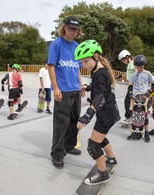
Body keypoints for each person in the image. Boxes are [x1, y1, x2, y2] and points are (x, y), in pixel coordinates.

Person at [75, 39, 120, 185]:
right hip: (110, 113)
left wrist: (86, 117)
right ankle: (111, 158)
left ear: (95, 56)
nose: (84, 65)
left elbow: (100, 98)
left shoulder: (99, 73)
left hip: (105, 115)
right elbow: (101, 87)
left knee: (93, 145)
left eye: (85, 61)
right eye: (82, 62)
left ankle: (102, 174)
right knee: (99, 139)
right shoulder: (99, 70)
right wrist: (88, 88)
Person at [48, 16, 85, 169]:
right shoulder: (56, 44)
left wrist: (81, 85)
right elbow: (51, 67)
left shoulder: (77, 46)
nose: (72, 32)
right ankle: (57, 153)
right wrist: (55, 88)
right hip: (62, 90)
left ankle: (69, 146)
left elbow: (77, 68)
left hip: (75, 89)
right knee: (61, 123)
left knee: (74, 121)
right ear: (64, 28)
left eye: (75, 29)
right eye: (70, 29)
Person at [127, 54, 154, 142]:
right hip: (135, 98)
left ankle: (146, 133)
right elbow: (130, 86)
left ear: (144, 65)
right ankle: (133, 132)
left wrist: (148, 93)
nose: (140, 68)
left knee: (144, 116)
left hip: (144, 98)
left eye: (141, 66)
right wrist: (130, 94)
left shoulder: (148, 74)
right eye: (138, 67)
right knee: (134, 115)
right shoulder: (134, 75)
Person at [118, 50, 136, 124]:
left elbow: (136, 72)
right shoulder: (130, 64)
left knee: (127, 101)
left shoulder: (132, 63)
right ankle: (132, 117)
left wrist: (131, 82)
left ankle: (129, 118)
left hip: (133, 85)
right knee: (130, 101)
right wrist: (120, 76)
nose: (123, 61)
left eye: (123, 59)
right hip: (131, 85)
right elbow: (128, 72)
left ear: (127, 57)